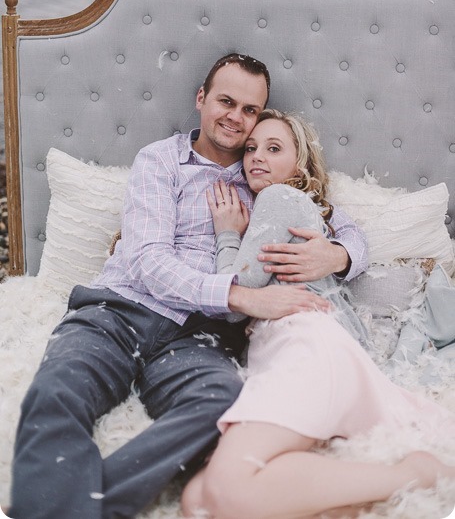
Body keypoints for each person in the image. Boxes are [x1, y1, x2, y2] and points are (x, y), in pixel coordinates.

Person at [9, 54, 367, 519]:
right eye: (226, 101)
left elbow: (338, 220)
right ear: (201, 99)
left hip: (200, 335)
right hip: (118, 312)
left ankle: (82, 507)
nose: (237, 118)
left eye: (250, 109)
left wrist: (338, 254)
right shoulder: (160, 161)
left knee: (219, 403)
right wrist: (241, 296)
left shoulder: (261, 171)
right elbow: (147, 260)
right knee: (57, 392)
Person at [181, 109, 455, 519]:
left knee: (223, 491)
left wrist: (226, 235)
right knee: (197, 501)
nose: (256, 156)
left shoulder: (279, 199)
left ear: (300, 163)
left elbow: (235, 303)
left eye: (274, 149)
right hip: (301, 348)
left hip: (305, 341)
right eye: (252, 148)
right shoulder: (283, 210)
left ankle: (413, 474)